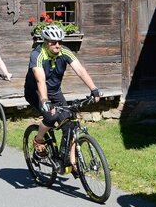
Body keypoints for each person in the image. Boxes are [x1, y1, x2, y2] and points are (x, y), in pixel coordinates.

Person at [24, 24, 101, 165]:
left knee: (69, 125)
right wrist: (45, 101)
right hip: (36, 92)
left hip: (55, 92)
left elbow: (80, 69)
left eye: (60, 42)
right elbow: (40, 80)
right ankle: (39, 140)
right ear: (46, 42)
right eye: (53, 42)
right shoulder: (37, 55)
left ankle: (70, 162)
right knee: (51, 116)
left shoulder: (65, 52)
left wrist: (93, 88)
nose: (57, 45)